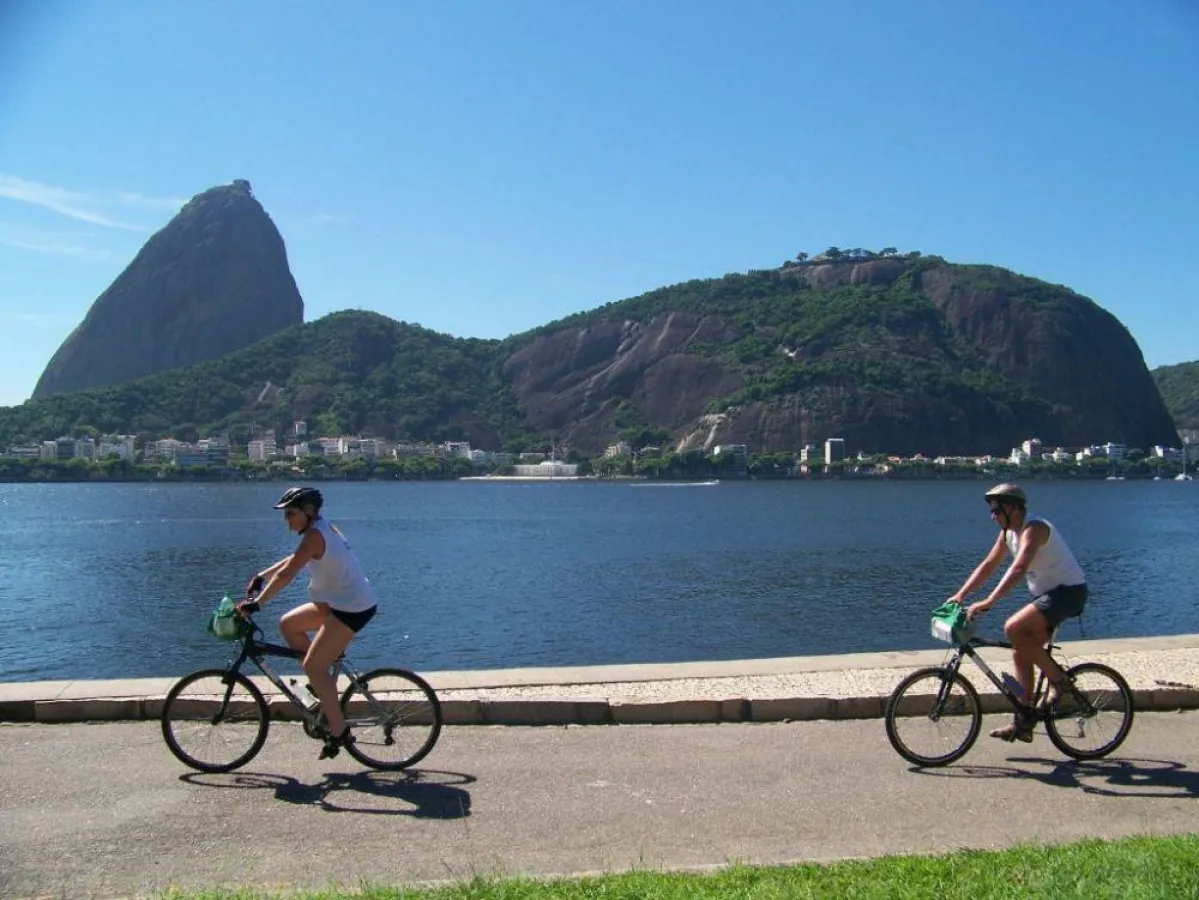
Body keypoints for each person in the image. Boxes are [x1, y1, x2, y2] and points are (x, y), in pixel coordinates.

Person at [237, 486, 378, 759]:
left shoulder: (316, 535)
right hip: (337, 602)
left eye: (290, 513)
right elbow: (295, 558)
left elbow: (288, 574)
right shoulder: (320, 530)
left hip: (351, 608)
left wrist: (257, 603)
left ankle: (339, 731)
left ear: (309, 512)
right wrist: (262, 576)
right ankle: (323, 684)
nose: (286, 519)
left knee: (313, 665)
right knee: (289, 624)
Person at [948, 483, 1088, 743]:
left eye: (996, 510)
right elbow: (989, 564)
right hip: (1047, 596)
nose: (993, 516)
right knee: (1020, 651)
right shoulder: (1007, 533)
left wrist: (989, 601)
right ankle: (1023, 722)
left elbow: (1018, 567)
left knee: (1013, 628)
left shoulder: (1033, 529)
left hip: (1068, 593)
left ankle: (1060, 683)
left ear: (1012, 509)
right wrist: (961, 594)